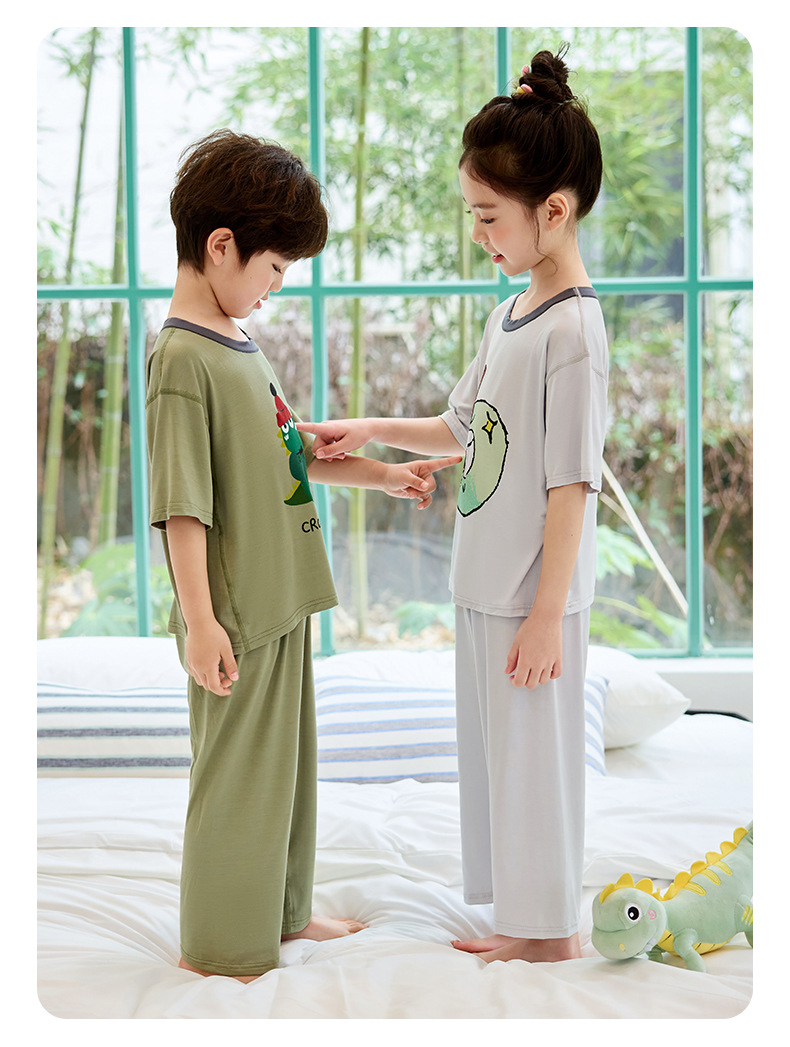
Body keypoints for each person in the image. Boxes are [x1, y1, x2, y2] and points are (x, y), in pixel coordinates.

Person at [297, 49, 608, 964]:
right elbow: (460, 426)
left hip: (532, 594)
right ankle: (520, 913)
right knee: (498, 759)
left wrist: (548, 612)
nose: (478, 234)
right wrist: (367, 429)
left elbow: (571, 482)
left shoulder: (574, 330)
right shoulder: (510, 314)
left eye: (487, 216)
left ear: (553, 211)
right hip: (486, 580)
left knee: (536, 762)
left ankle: (548, 934)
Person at [146, 129, 460, 982]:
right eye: (275, 268)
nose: (277, 287)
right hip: (237, 612)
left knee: (287, 768)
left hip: (281, 594)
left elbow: (291, 455)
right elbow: (182, 507)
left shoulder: (236, 344)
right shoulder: (182, 359)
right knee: (237, 778)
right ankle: (219, 945)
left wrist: (385, 475)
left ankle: (284, 911)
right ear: (222, 246)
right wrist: (202, 621)